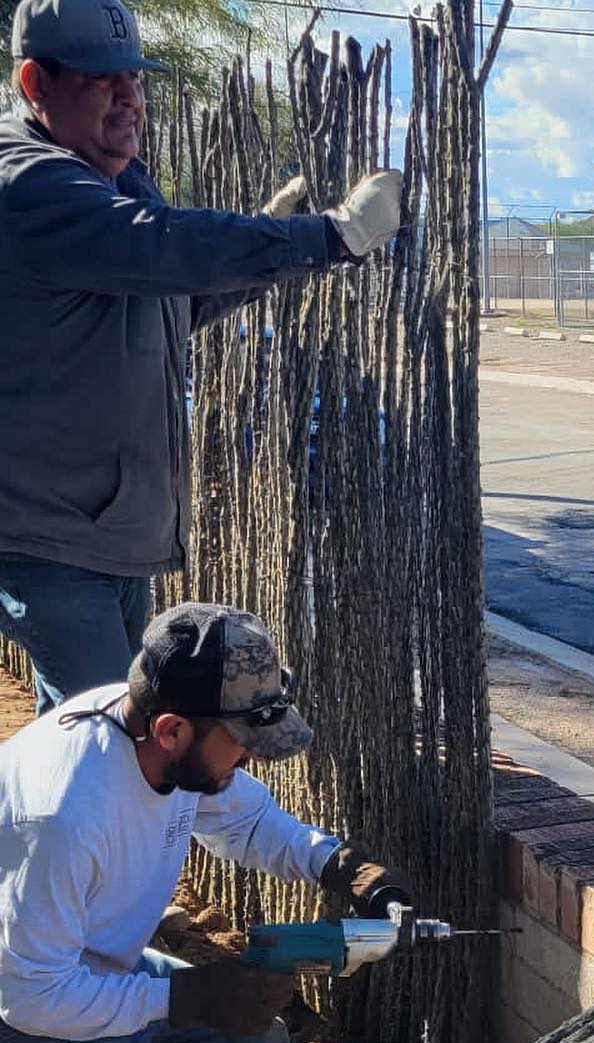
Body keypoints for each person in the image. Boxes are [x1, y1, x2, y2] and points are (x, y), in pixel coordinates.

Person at [0, 0, 403, 711]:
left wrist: (272, 247)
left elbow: (173, 303)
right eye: (102, 81)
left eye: (136, 79)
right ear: (36, 83)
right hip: (50, 537)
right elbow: (165, 243)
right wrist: (328, 236)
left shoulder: (110, 177)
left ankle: (48, 826)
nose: (131, 100)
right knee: (107, 739)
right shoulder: (29, 183)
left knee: (80, 737)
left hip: (104, 524)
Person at [0, 603, 407, 1043]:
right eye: (241, 743)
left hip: (88, 968)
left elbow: (246, 822)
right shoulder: (65, 815)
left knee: (261, 1039)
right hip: (27, 1010)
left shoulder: (158, 732)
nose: (250, 759)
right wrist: (184, 997)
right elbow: (31, 998)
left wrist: (342, 866)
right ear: (172, 730)